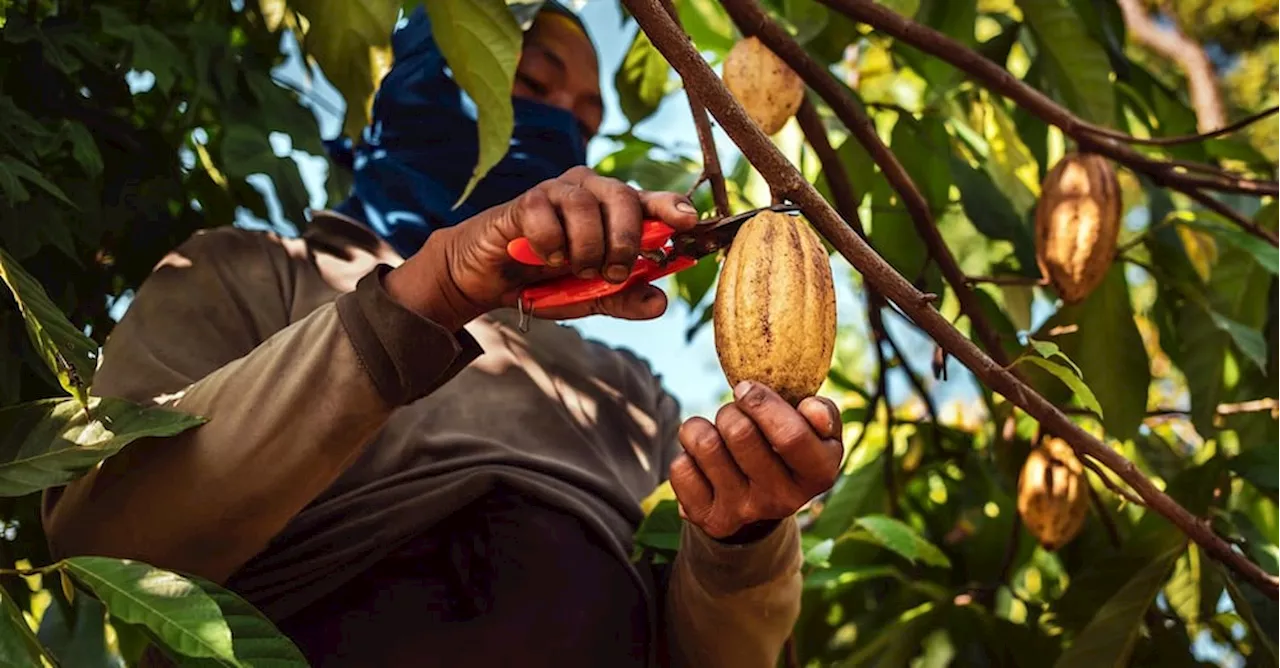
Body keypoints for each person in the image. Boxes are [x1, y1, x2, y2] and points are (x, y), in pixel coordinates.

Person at [41, 4, 844, 667]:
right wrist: (432, 291)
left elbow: (721, 656)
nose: (562, 128)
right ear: (425, 82)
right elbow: (104, 538)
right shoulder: (247, 273)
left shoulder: (629, 386)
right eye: (530, 86)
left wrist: (744, 541)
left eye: (586, 119)